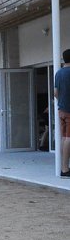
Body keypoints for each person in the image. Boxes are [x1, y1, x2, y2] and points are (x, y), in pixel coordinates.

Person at [55, 49, 70, 177]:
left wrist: (62, 101)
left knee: (64, 138)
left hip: (62, 110)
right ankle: (65, 169)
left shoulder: (59, 73)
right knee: (68, 138)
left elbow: (55, 92)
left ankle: (63, 167)